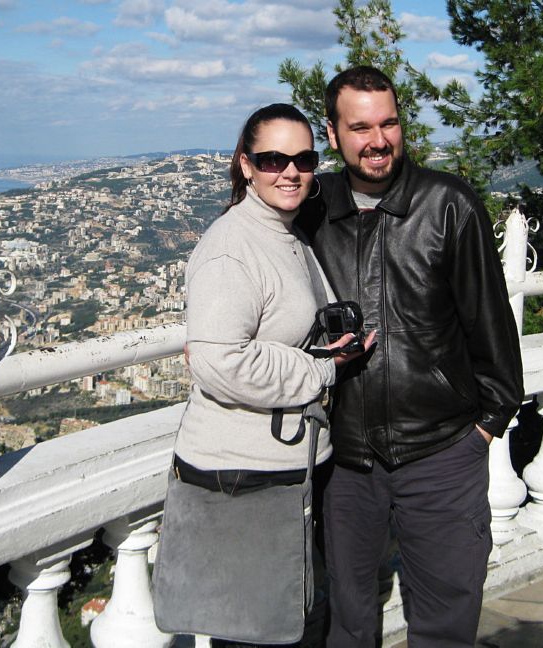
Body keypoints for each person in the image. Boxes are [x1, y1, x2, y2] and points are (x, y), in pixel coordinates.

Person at [295, 66, 524, 648]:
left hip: (444, 453)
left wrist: (485, 428)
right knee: (348, 621)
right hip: (345, 463)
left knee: (446, 619)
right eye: (361, 127)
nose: (379, 140)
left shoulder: (448, 204)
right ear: (333, 132)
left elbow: (492, 330)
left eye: (389, 123)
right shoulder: (312, 207)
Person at [173, 103, 374, 646]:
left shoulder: (284, 235)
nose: (291, 171)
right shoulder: (231, 248)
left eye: (304, 158)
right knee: (256, 627)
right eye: (272, 159)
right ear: (245, 164)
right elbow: (219, 361)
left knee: (287, 617)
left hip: (286, 466)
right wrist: (325, 367)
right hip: (243, 475)